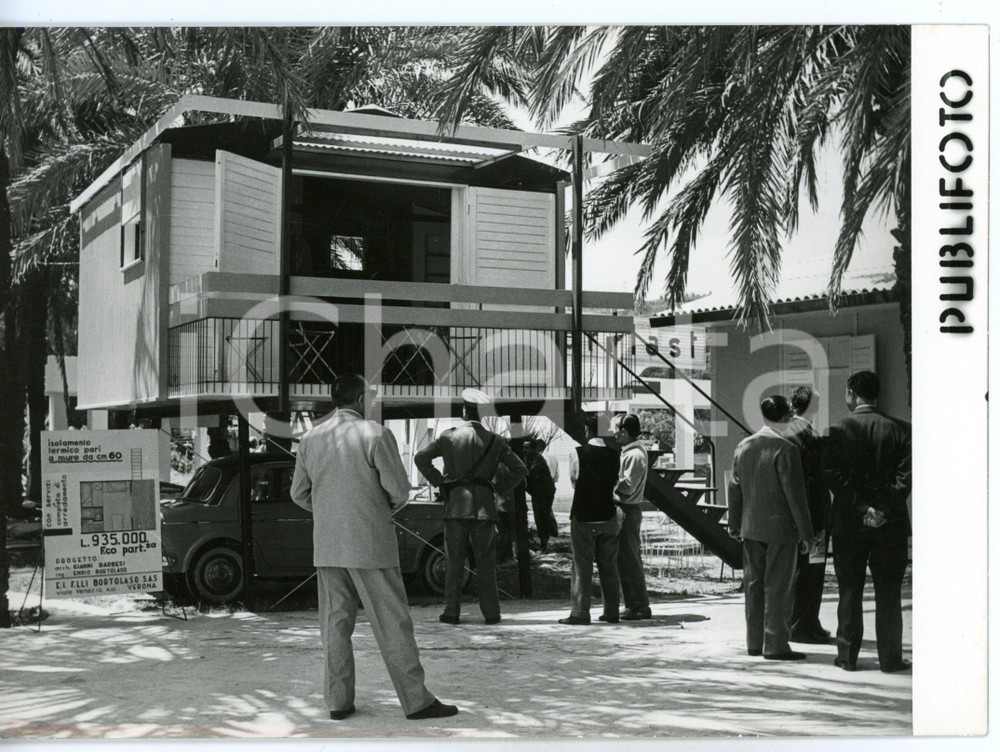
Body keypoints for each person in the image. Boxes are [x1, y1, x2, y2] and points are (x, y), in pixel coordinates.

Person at [290, 374, 457, 721]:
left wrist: (329, 512)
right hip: (371, 542)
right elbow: (399, 491)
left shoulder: (310, 438)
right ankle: (416, 700)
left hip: (328, 545)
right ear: (360, 398)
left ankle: (338, 701)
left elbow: (298, 494)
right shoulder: (376, 434)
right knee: (393, 623)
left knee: (335, 625)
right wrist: (376, 509)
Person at [823, 370, 912, 673]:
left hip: (849, 523)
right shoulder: (902, 430)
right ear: (877, 394)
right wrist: (883, 509)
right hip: (891, 523)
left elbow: (834, 477)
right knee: (889, 592)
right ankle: (890, 658)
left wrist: (863, 508)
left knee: (849, 590)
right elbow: (905, 478)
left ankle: (847, 656)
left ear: (851, 393)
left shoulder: (836, 431)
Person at [414, 389, 527, 625]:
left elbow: (420, 458)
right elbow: (520, 469)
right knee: (486, 563)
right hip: (485, 508)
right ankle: (491, 613)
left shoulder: (448, 437)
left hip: (456, 505)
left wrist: (439, 481)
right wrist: (498, 488)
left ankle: (451, 612)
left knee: (454, 561)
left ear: (465, 410)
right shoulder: (496, 441)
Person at [728, 395, 813, 661]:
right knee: (778, 587)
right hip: (781, 529)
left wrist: (734, 523)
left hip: (751, 527)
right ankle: (775, 644)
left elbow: (734, 487)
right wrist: (807, 533)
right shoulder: (786, 449)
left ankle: (754, 642)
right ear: (787, 416)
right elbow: (795, 496)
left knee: (753, 585)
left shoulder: (744, 446)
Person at [559, 412, 622, 625]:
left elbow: (574, 480)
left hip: (584, 514)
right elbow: (615, 482)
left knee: (582, 566)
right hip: (607, 514)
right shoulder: (615, 454)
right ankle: (612, 610)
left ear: (587, 430)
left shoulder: (577, 452)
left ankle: (580, 612)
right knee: (609, 566)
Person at [784, 385, 832, 644]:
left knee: (798, 570)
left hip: (790, 515)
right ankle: (804, 622)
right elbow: (814, 483)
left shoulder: (784, 432)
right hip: (813, 517)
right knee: (813, 570)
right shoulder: (810, 437)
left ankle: (805, 620)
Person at [613, 413, 652, 620]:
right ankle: (632, 603)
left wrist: (609, 480)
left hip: (628, 510)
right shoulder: (630, 452)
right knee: (624, 559)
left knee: (630, 559)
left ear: (624, 431)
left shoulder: (635, 455)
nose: (613, 433)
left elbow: (628, 487)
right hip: (626, 509)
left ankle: (639, 604)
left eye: (615, 429)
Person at [523, 438, 558, 552]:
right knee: (539, 517)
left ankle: (544, 544)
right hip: (537, 492)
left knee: (542, 517)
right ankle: (544, 543)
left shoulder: (538, 458)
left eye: (527, 448)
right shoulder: (528, 459)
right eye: (523, 448)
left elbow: (530, 473)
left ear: (534, 449)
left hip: (545, 493)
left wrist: (519, 469)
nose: (524, 450)